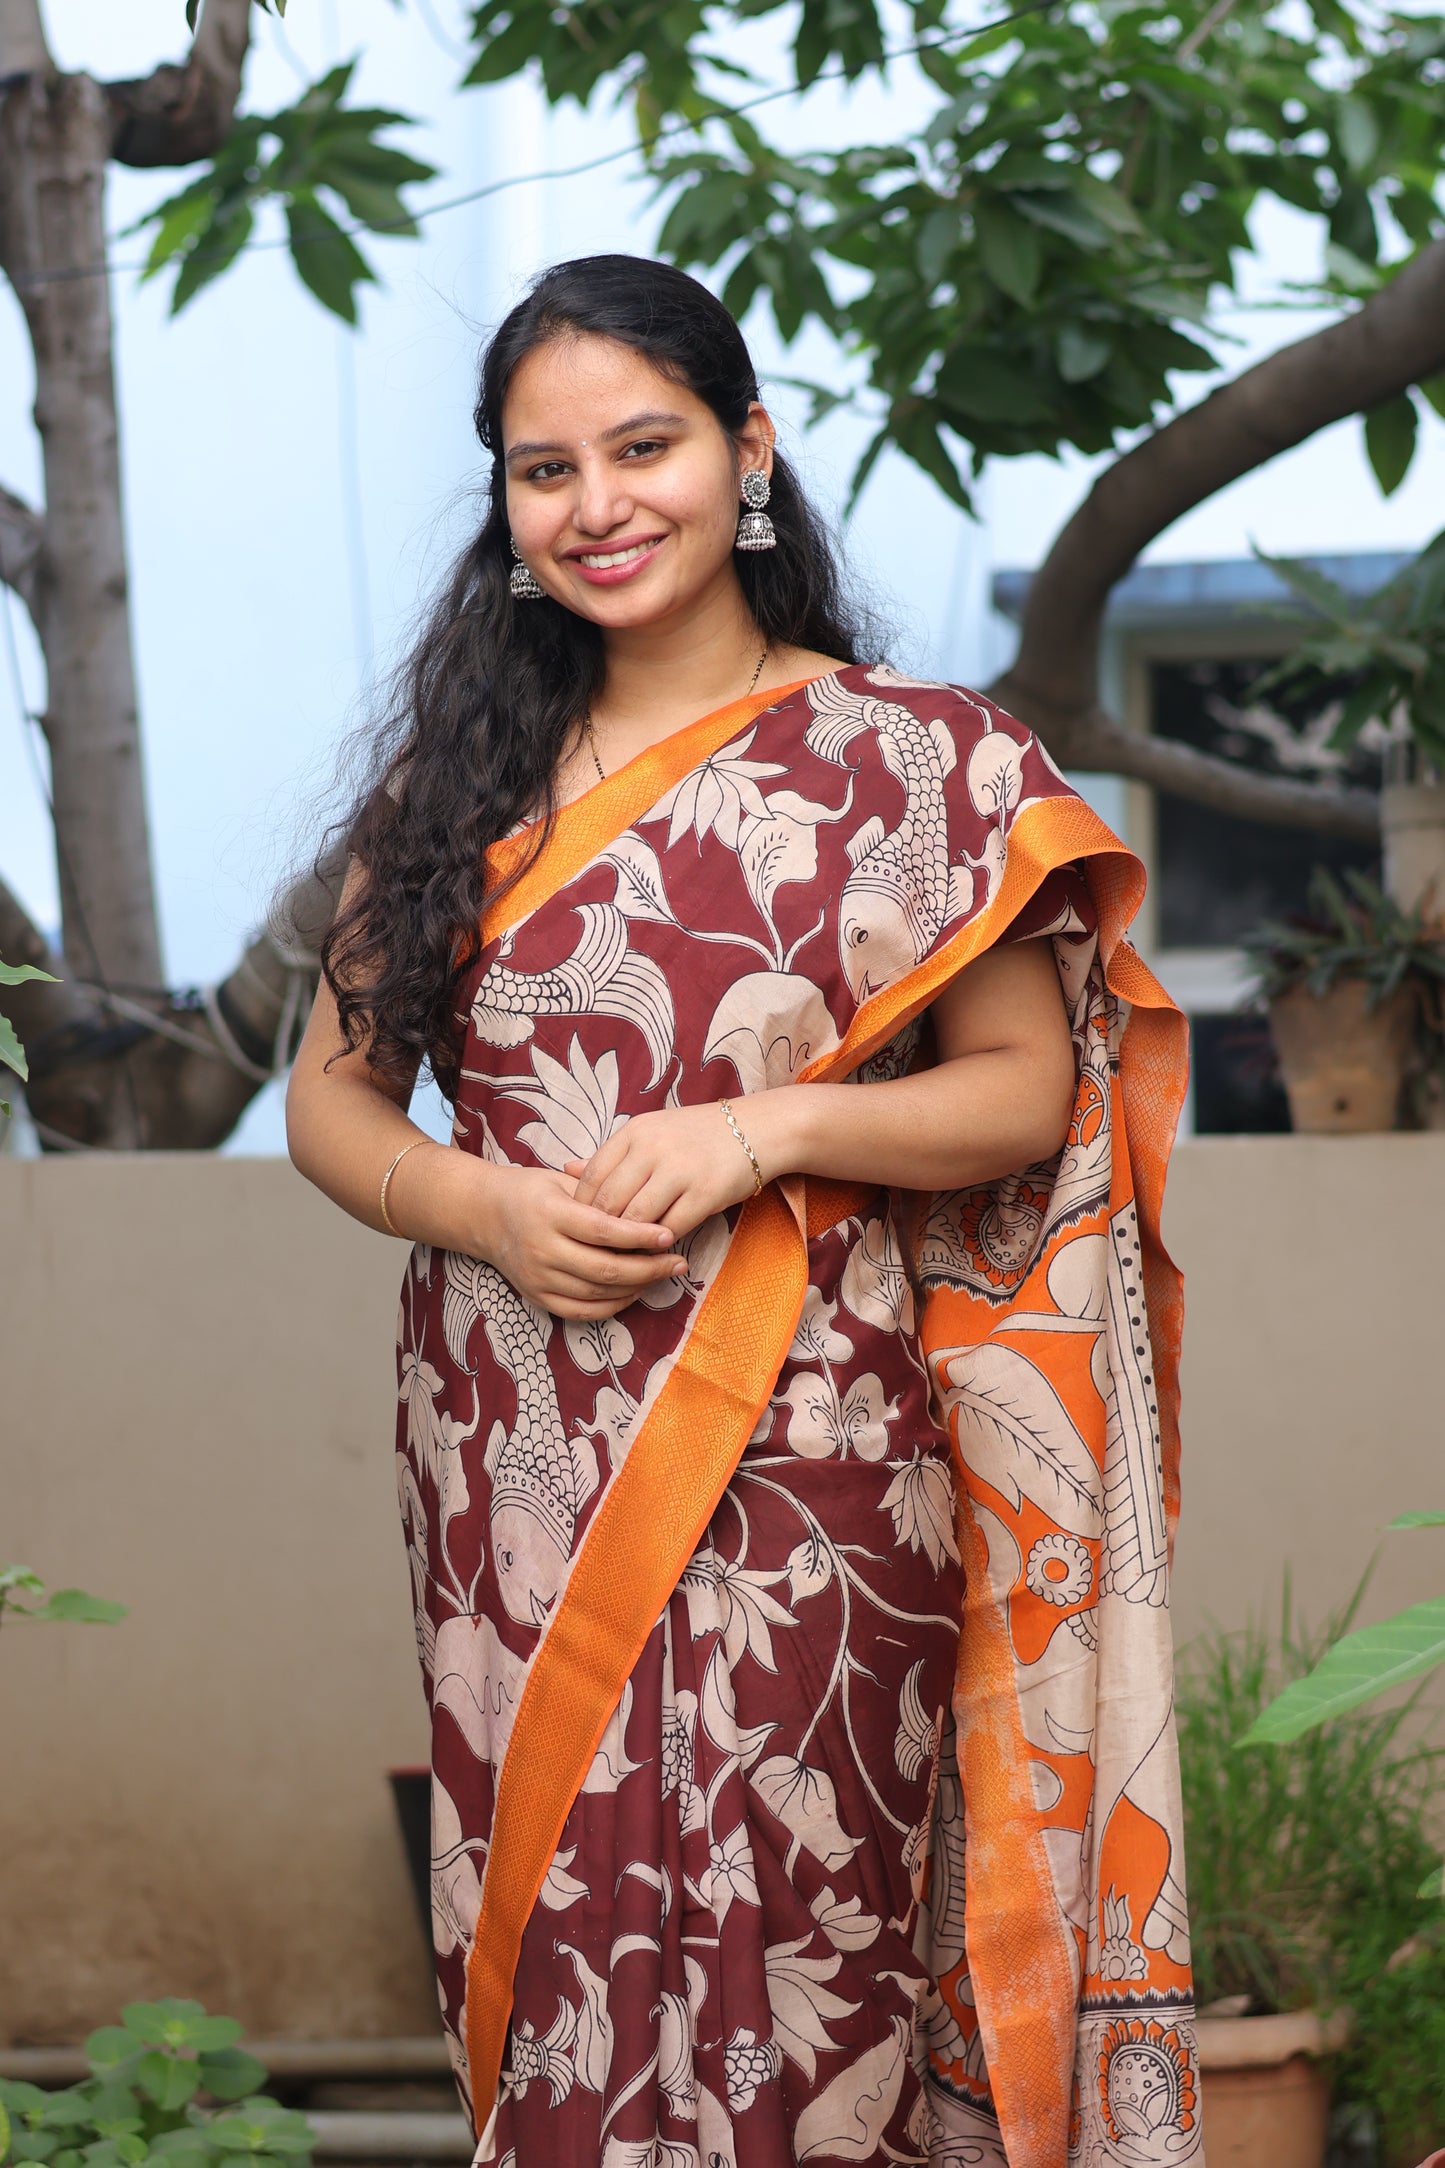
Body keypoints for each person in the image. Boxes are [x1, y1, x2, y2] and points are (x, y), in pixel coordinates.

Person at [287, 254, 1198, 2168]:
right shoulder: (455, 788)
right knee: (554, 1954)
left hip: (823, 1455)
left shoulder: (919, 762)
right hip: (515, 1455)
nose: (598, 504)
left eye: (644, 446)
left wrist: (768, 1131)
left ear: (747, 451)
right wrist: (480, 1211)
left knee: (818, 1934)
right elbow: (330, 1099)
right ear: (508, 514)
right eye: (545, 472)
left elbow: (1028, 1087)